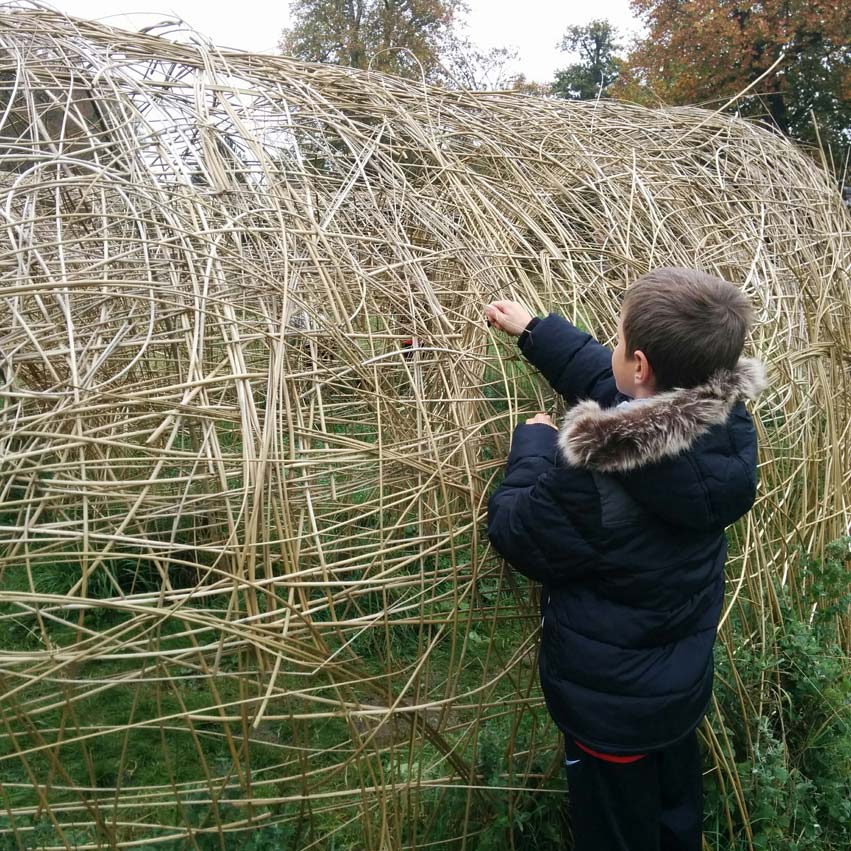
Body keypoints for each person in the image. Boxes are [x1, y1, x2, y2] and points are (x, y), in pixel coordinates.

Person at [485, 268, 766, 851]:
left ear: (640, 366)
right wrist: (535, 332)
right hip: (675, 693)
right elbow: (610, 383)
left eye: (616, 340)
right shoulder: (724, 427)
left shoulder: (597, 479)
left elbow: (518, 533)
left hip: (608, 712)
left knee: (615, 832)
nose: (608, 350)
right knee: (674, 814)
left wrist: (534, 444)